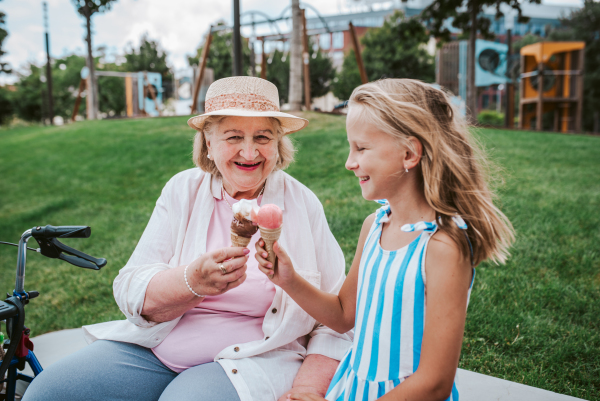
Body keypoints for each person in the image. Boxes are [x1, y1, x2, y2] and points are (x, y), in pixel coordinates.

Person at [23, 77, 352, 401]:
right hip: (156, 347)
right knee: (48, 392)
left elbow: (338, 322)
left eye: (263, 137)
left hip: (249, 360)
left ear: (278, 143)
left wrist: (307, 389)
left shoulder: (301, 202)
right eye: (233, 136)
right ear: (209, 143)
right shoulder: (182, 190)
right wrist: (192, 281)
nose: (249, 152)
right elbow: (130, 289)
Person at [255, 79, 515, 401]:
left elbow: (435, 383)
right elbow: (342, 315)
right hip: (354, 390)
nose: (350, 162)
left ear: (409, 153)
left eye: (361, 148)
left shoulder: (442, 247)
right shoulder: (375, 226)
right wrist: (289, 280)